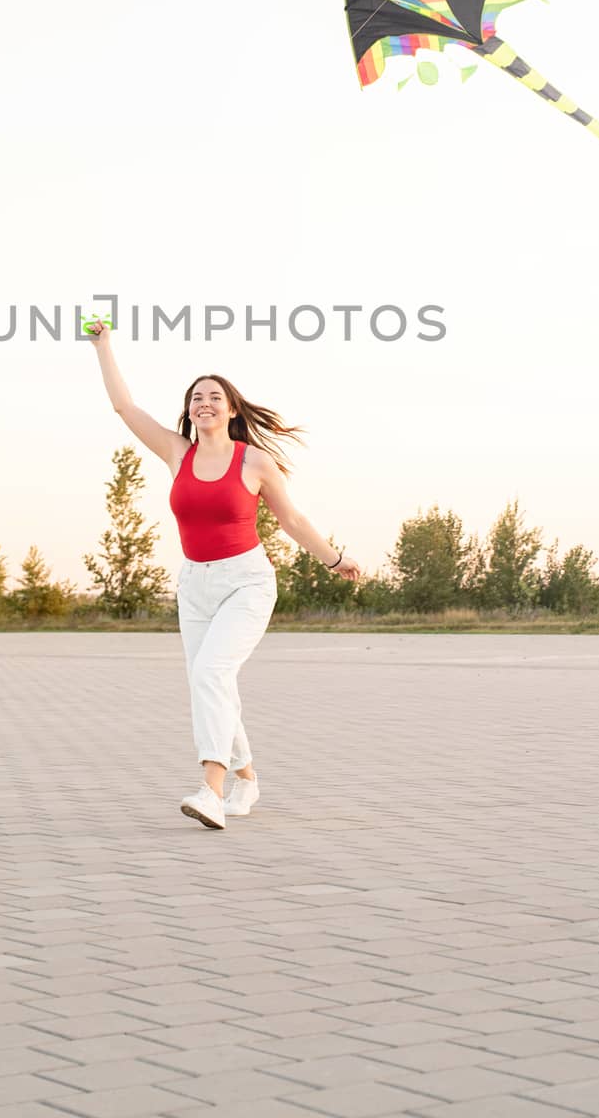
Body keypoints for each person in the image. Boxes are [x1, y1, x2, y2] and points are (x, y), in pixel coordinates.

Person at [87, 321, 361, 830]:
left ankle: (211, 790)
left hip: (246, 582)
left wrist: (333, 559)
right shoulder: (178, 453)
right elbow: (125, 408)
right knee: (210, 682)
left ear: (231, 408)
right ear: (189, 410)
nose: (203, 403)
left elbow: (293, 521)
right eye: (196, 398)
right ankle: (247, 778)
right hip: (194, 585)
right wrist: (104, 347)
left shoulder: (254, 460)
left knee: (211, 675)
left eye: (214, 396)